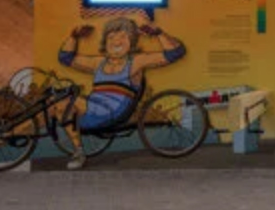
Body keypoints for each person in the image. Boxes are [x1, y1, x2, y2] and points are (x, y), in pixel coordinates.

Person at [56, 17, 185, 169]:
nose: (116, 42)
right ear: (105, 42)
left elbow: (175, 53)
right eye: (111, 37)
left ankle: (78, 153)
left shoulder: (136, 62)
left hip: (113, 111)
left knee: (64, 103)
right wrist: (74, 36)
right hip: (92, 109)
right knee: (57, 104)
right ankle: (78, 149)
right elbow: (65, 58)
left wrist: (159, 33)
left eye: (123, 36)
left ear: (132, 42)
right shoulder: (98, 63)